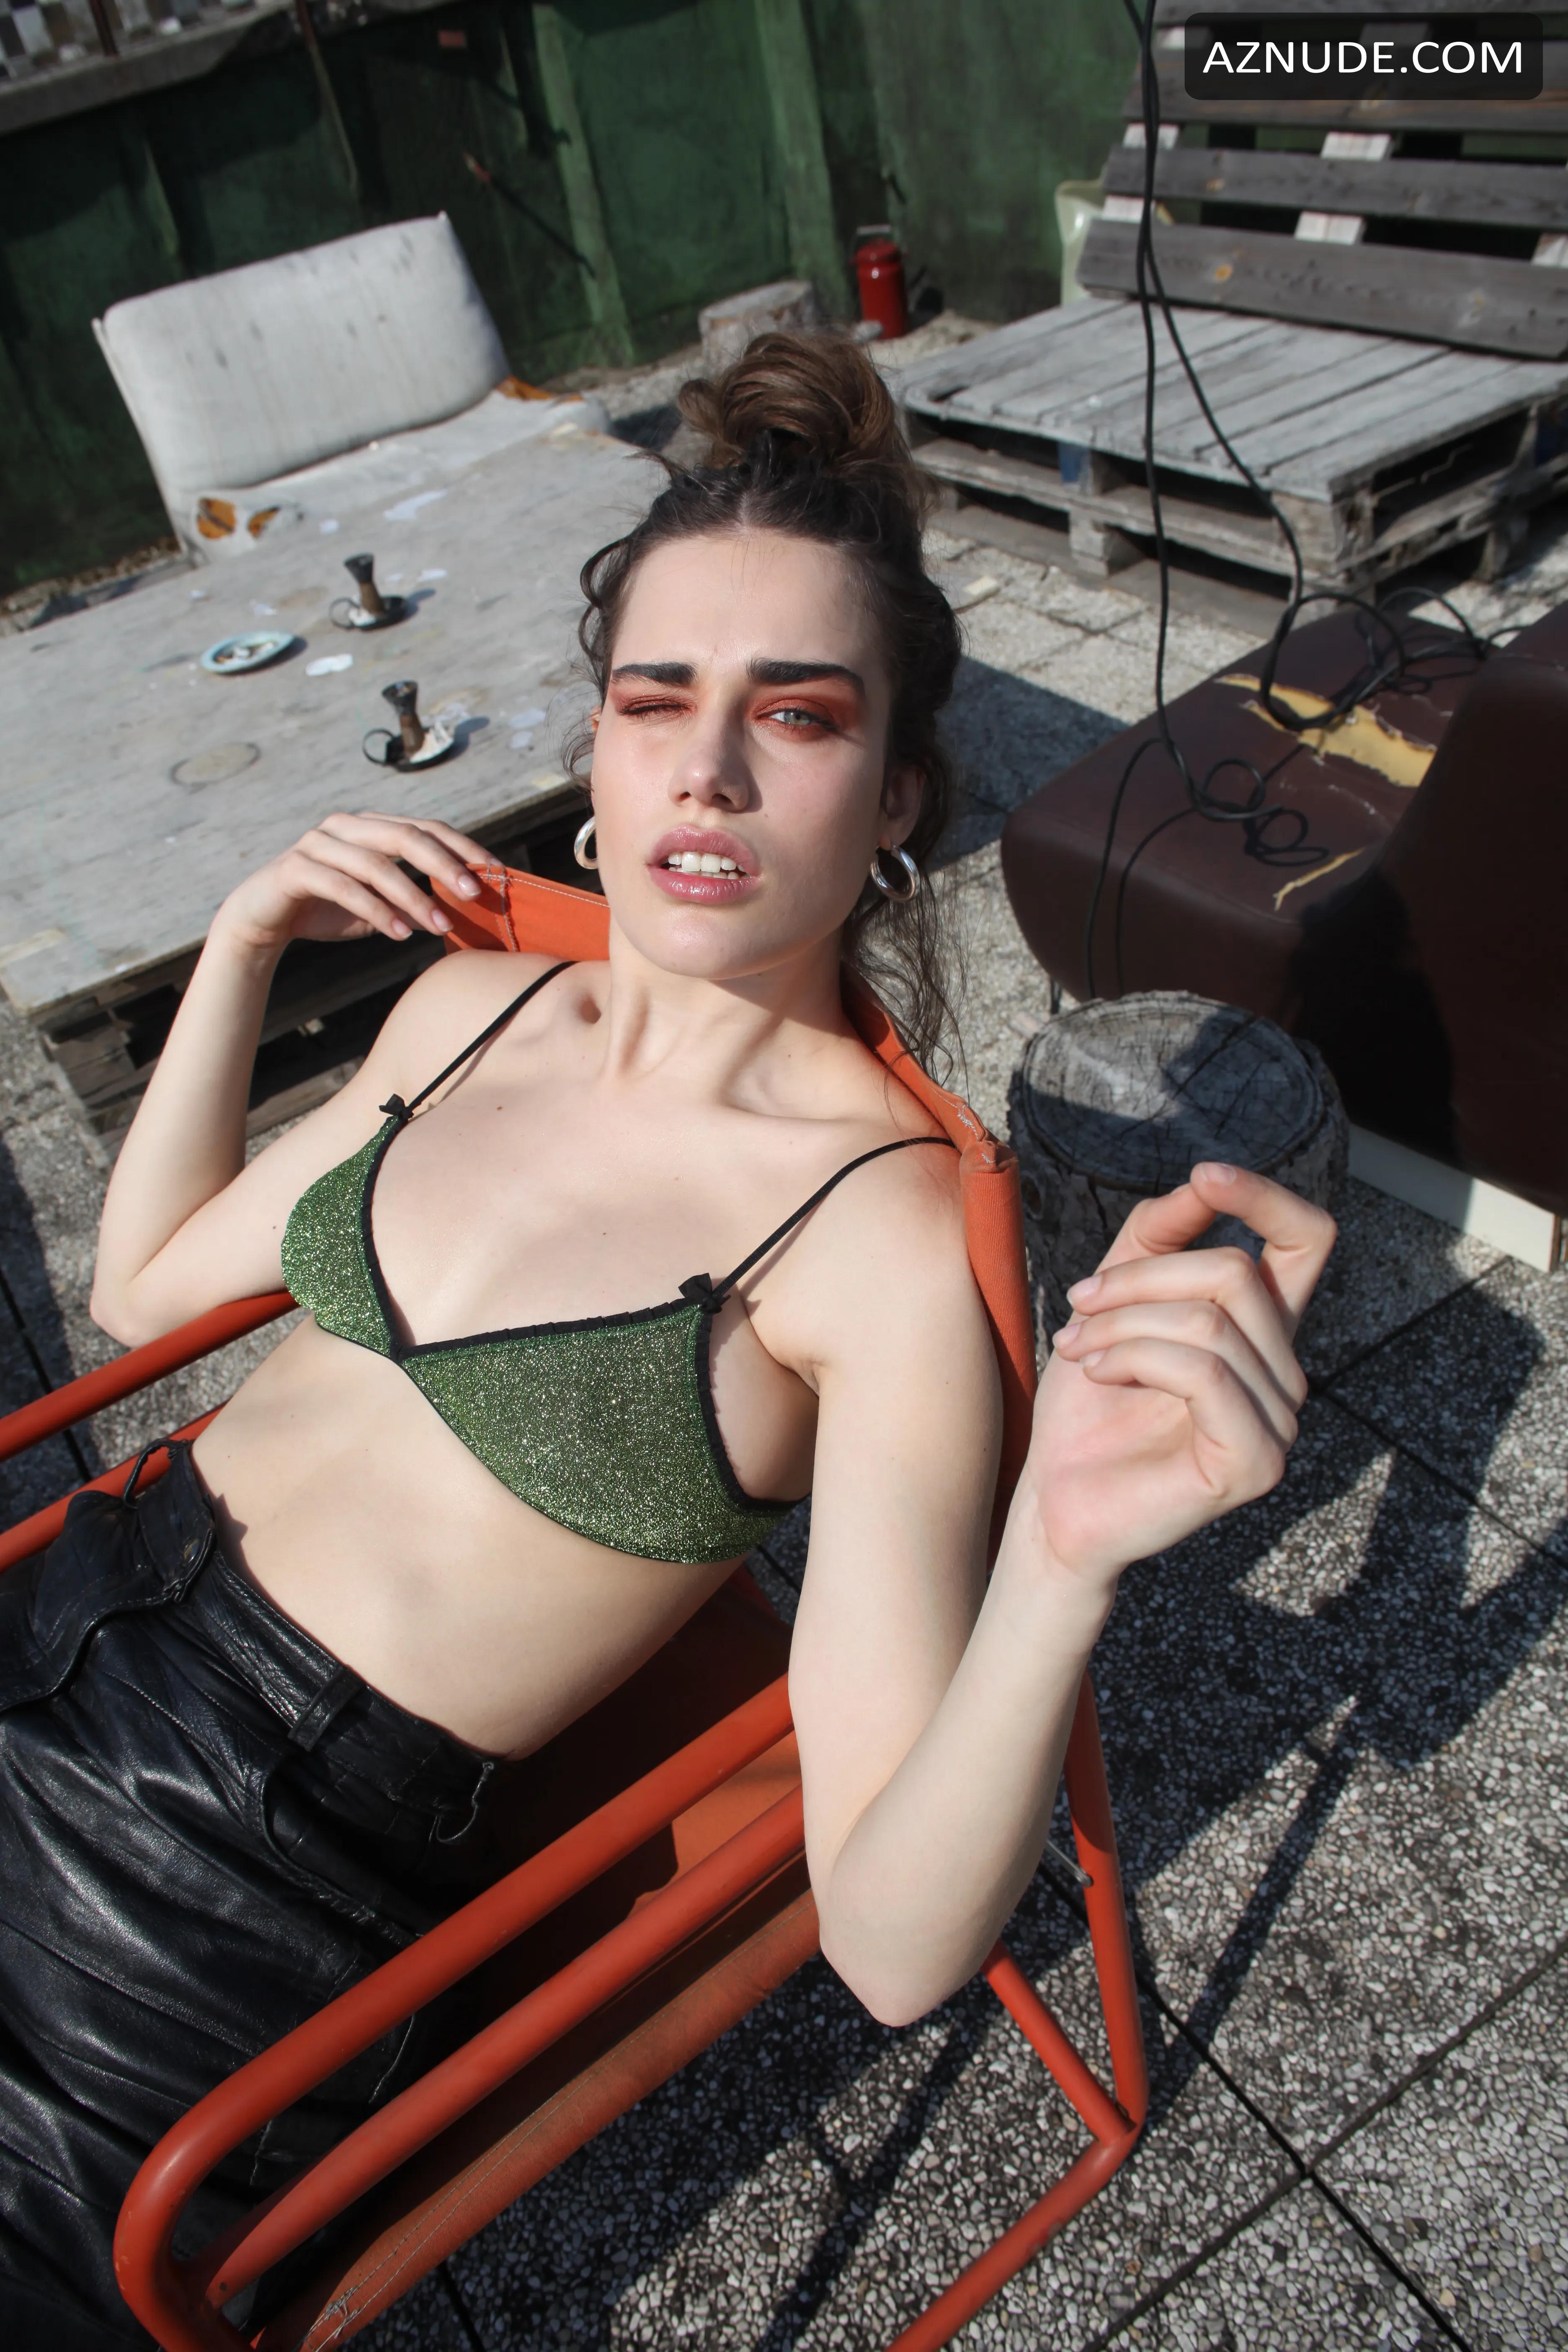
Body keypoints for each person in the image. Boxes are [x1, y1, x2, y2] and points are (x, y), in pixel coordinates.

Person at [0, 333, 1333, 2349]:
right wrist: (248, 943)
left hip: (203, 1896)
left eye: (795, 716)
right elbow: (147, 1285)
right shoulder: (468, 1010)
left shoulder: (878, 1239)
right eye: (657, 703)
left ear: (893, 797)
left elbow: (893, 1946)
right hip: (59, 1611)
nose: (708, 771)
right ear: (602, 754)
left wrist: (1058, 1572)